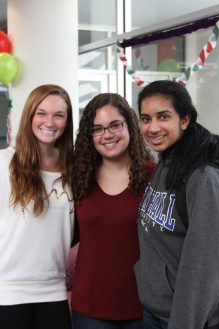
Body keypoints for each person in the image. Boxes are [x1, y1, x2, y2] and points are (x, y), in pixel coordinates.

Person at [0, 84, 75, 329]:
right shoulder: (1, 163)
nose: (50, 121)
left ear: (67, 122)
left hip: (53, 289)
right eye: (41, 113)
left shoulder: (71, 168)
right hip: (6, 291)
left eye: (59, 115)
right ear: (29, 116)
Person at [135, 80, 219, 329]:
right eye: (145, 118)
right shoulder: (167, 162)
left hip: (187, 320)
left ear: (185, 120)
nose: (152, 127)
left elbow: (206, 268)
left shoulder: (203, 177)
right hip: (158, 311)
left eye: (163, 116)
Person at [71, 93, 155, 329]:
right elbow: (64, 237)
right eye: (97, 129)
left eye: (115, 125)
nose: (107, 135)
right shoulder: (79, 179)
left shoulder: (156, 177)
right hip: (90, 306)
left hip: (144, 305)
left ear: (130, 125)